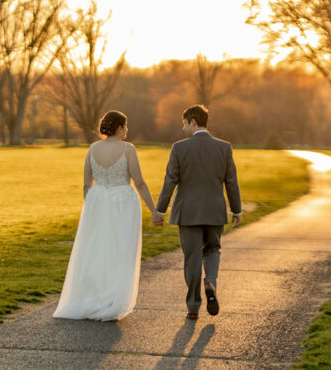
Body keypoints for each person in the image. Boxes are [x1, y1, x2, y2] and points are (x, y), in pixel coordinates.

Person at [54, 110, 160, 321]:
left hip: (98, 201)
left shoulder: (93, 148)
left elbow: (86, 184)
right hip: (123, 203)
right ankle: (112, 299)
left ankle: (91, 297)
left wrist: (91, 206)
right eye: (125, 126)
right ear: (119, 128)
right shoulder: (128, 149)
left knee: (95, 250)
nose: (127, 130)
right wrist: (153, 210)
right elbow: (139, 182)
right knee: (120, 250)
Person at [154, 104, 242, 320]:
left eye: (185, 124)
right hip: (214, 211)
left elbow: (170, 180)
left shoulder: (179, 148)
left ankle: (193, 307)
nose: (183, 128)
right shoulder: (224, 147)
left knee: (192, 258)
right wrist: (236, 209)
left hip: (188, 213)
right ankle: (210, 281)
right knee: (212, 249)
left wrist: (160, 210)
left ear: (193, 122)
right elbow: (231, 181)